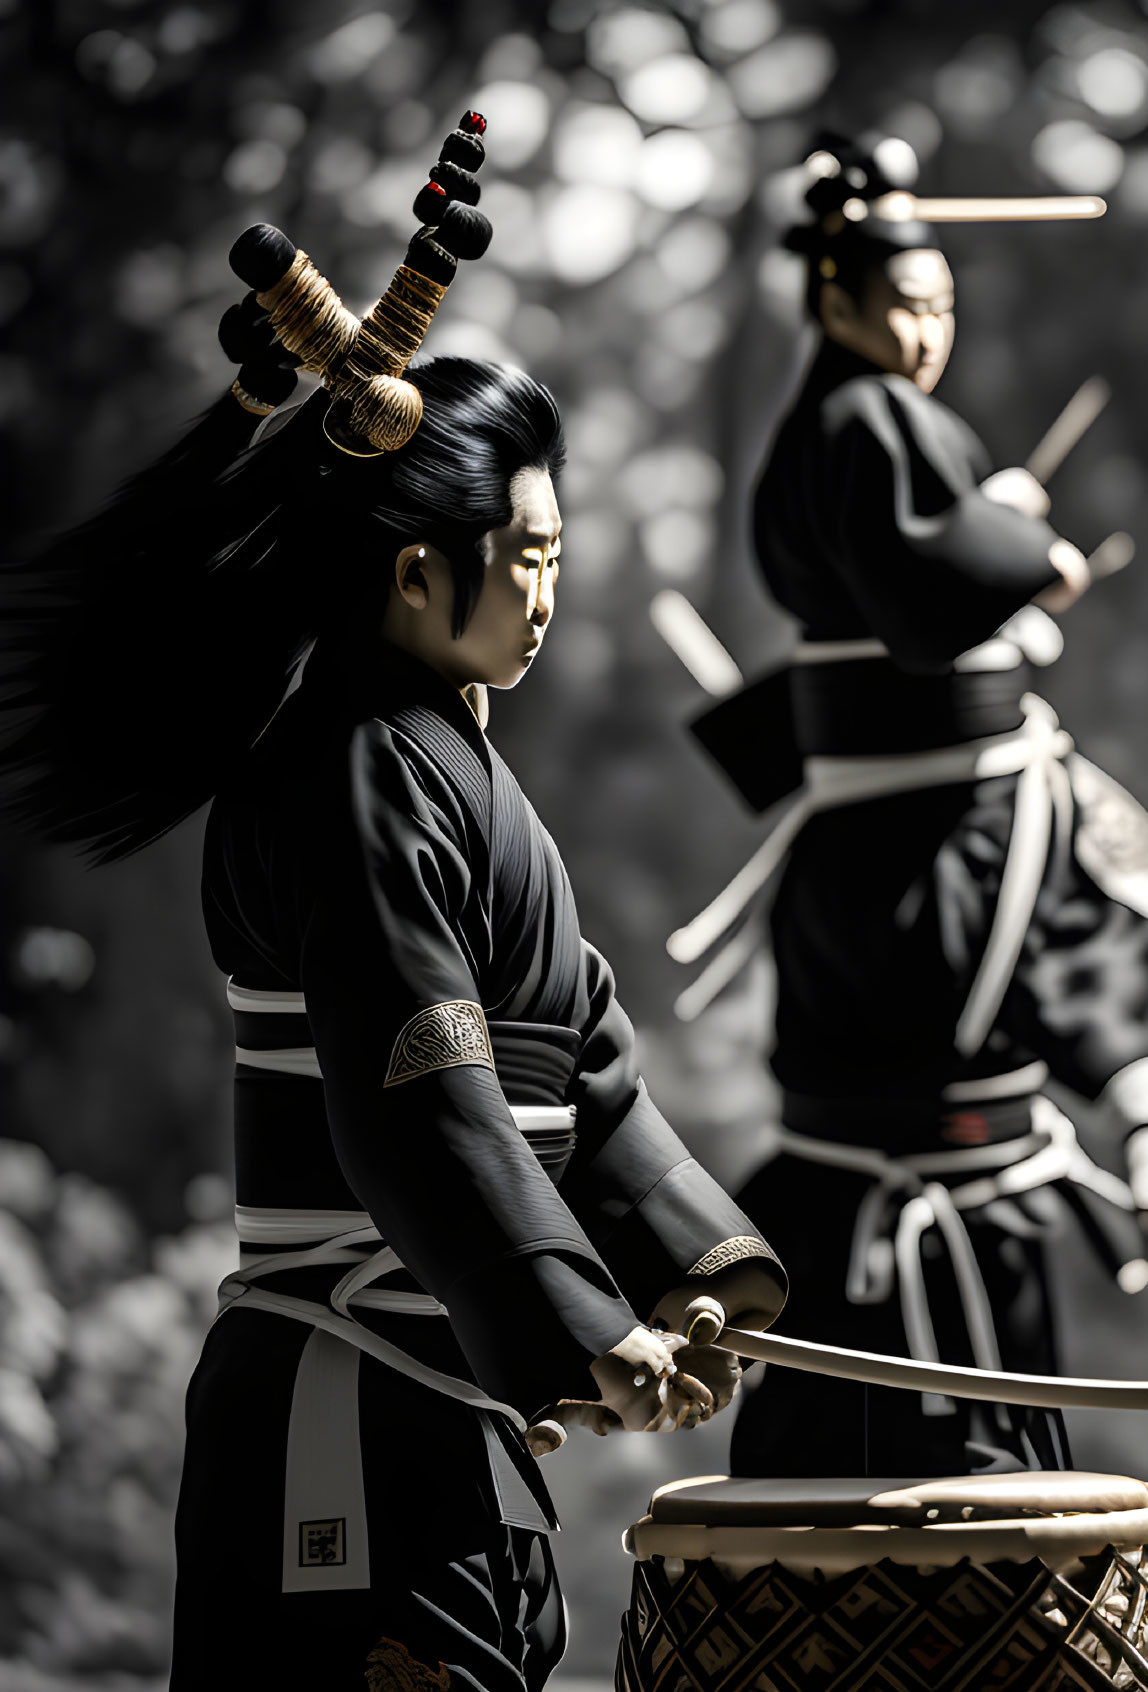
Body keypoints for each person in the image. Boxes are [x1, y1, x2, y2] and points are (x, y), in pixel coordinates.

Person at [0, 144, 784, 1692]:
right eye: (534, 559)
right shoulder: (355, 777)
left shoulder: (448, 772)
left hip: (439, 1401)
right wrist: (580, 1320)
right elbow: (424, 1092)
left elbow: (587, 1071)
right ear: (422, 577)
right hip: (342, 1410)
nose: (551, 594)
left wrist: (702, 1270)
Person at [672, 136, 1148, 1481]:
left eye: (940, 309)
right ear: (837, 304)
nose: (924, 335)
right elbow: (941, 581)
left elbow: (934, 567)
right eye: (901, 307)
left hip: (859, 1227)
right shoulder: (868, 424)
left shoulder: (832, 447)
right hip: (936, 1198)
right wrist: (1025, 540)